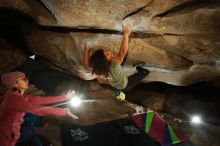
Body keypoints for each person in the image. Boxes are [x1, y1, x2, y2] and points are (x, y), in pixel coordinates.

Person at [0, 71, 79, 146]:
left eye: (26, 78)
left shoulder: (19, 97)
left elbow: (40, 100)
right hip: (5, 136)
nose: (27, 80)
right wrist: (63, 112)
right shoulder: (14, 100)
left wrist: (64, 97)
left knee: (31, 131)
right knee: (30, 131)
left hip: (10, 134)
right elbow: (36, 109)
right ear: (15, 83)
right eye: (23, 79)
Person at [84, 20, 149, 100]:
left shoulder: (99, 68)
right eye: (107, 54)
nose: (109, 52)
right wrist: (126, 34)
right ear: (105, 61)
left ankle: (119, 89)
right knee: (145, 72)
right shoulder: (114, 65)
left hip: (116, 85)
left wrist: (86, 50)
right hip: (126, 84)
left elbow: (87, 64)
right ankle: (138, 67)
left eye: (106, 52)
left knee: (118, 79)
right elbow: (122, 53)